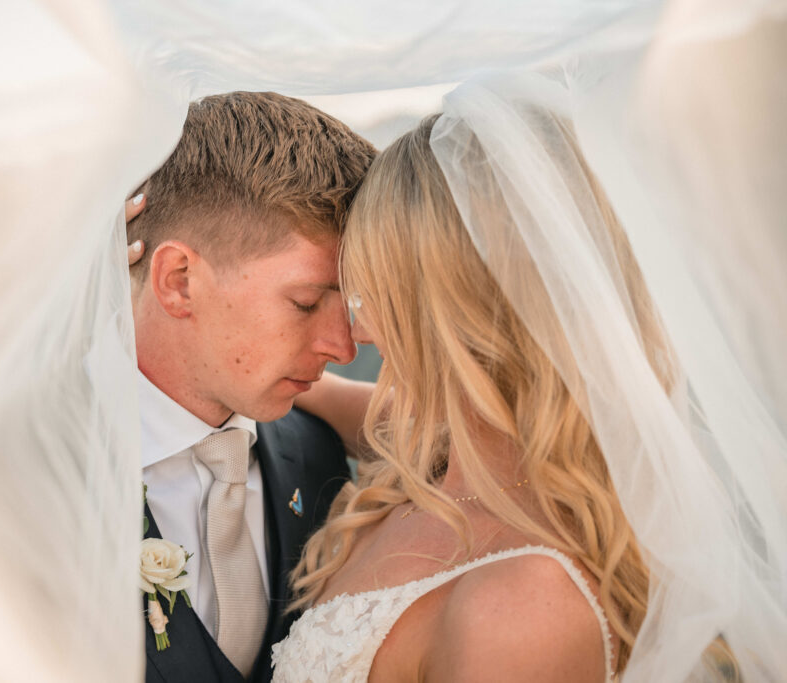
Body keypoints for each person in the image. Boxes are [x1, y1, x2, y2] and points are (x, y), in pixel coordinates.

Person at [269, 99, 679, 682]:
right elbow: (372, 415)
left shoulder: (522, 604)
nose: (353, 333)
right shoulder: (446, 460)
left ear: (455, 310)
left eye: (370, 295)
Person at [125, 91, 376, 683]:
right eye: (307, 302)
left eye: (352, 305)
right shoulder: (25, 474)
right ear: (179, 281)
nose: (343, 349)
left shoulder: (315, 450)